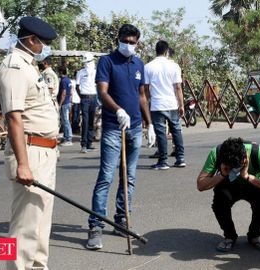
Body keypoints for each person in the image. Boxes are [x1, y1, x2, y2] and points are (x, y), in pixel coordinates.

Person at [86, 24, 155, 250]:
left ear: (137, 43)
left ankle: (121, 220)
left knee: (129, 177)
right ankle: (96, 225)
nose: (129, 45)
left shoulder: (139, 63)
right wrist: (118, 110)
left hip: (134, 127)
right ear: (119, 40)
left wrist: (149, 124)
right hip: (114, 127)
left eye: (133, 41)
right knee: (106, 176)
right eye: (126, 40)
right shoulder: (107, 61)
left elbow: (142, 95)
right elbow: (102, 92)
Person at [0, 16, 58, 269]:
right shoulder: (14, 66)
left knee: (39, 225)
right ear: (31, 40)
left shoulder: (30, 65)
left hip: (44, 151)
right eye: (43, 43)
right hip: (30, 152)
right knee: (21, 225)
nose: (45, 48)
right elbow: (13, 117)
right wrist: (23, 164)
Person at [197, 137, 260, 252]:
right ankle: (229, 236)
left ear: (245, 156)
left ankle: (254, 235)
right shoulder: (216, 153)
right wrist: (222, 174)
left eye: (237, 166)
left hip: (252, 182)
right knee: (219, 205)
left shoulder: (258, 152)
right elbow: (201, 185)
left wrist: (247, 176)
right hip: (227, 183)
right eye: (230, 167)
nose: (234, 170)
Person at [144, 40, 185, 170]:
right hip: (172, 103)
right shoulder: (174, 66)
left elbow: (145, 88)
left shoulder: (148, 66)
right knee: (176, 130)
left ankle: (163, 161)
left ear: (155, 51)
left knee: (161, 133)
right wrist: (181, 104)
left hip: (157, 104)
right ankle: (180, 159)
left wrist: (149, 100)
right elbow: (178, 87)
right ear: (167, 51)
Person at [76, 52, 97, 153]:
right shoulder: (80, 72)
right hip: (85, 97)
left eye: (89, 61)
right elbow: (77, 86)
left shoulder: (96, 72)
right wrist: (82, 96)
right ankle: (83, 144)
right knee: (85, 121)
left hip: (93, 97)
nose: (87, 64)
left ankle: (89, 143)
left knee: (91, 121)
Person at [58, 66, 73, 146]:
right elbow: (71, 91)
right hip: (68, 102)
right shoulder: (68, 80)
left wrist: (60, 104)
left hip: (64, 103)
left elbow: (63, 93)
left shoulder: (63, 81)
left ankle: (68, 138)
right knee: (65, 121)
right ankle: (65, 137)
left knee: (66, 121)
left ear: (61, 72)